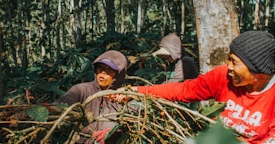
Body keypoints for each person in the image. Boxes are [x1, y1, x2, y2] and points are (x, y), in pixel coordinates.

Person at [117, 30, 275, 144]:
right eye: (228, 59)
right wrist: (135, 91)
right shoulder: (223, 76)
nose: (228, 66)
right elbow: (182, 90)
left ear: (259, 72)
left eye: (234, 61)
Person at [53, 50, 127, 144]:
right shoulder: (81, 90)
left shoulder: (123, 96)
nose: (103, 72)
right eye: (101, 67)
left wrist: (115, 132)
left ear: (118, 75)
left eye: (110, 69)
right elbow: (62, 103)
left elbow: (130, 123)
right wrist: (50, 108)